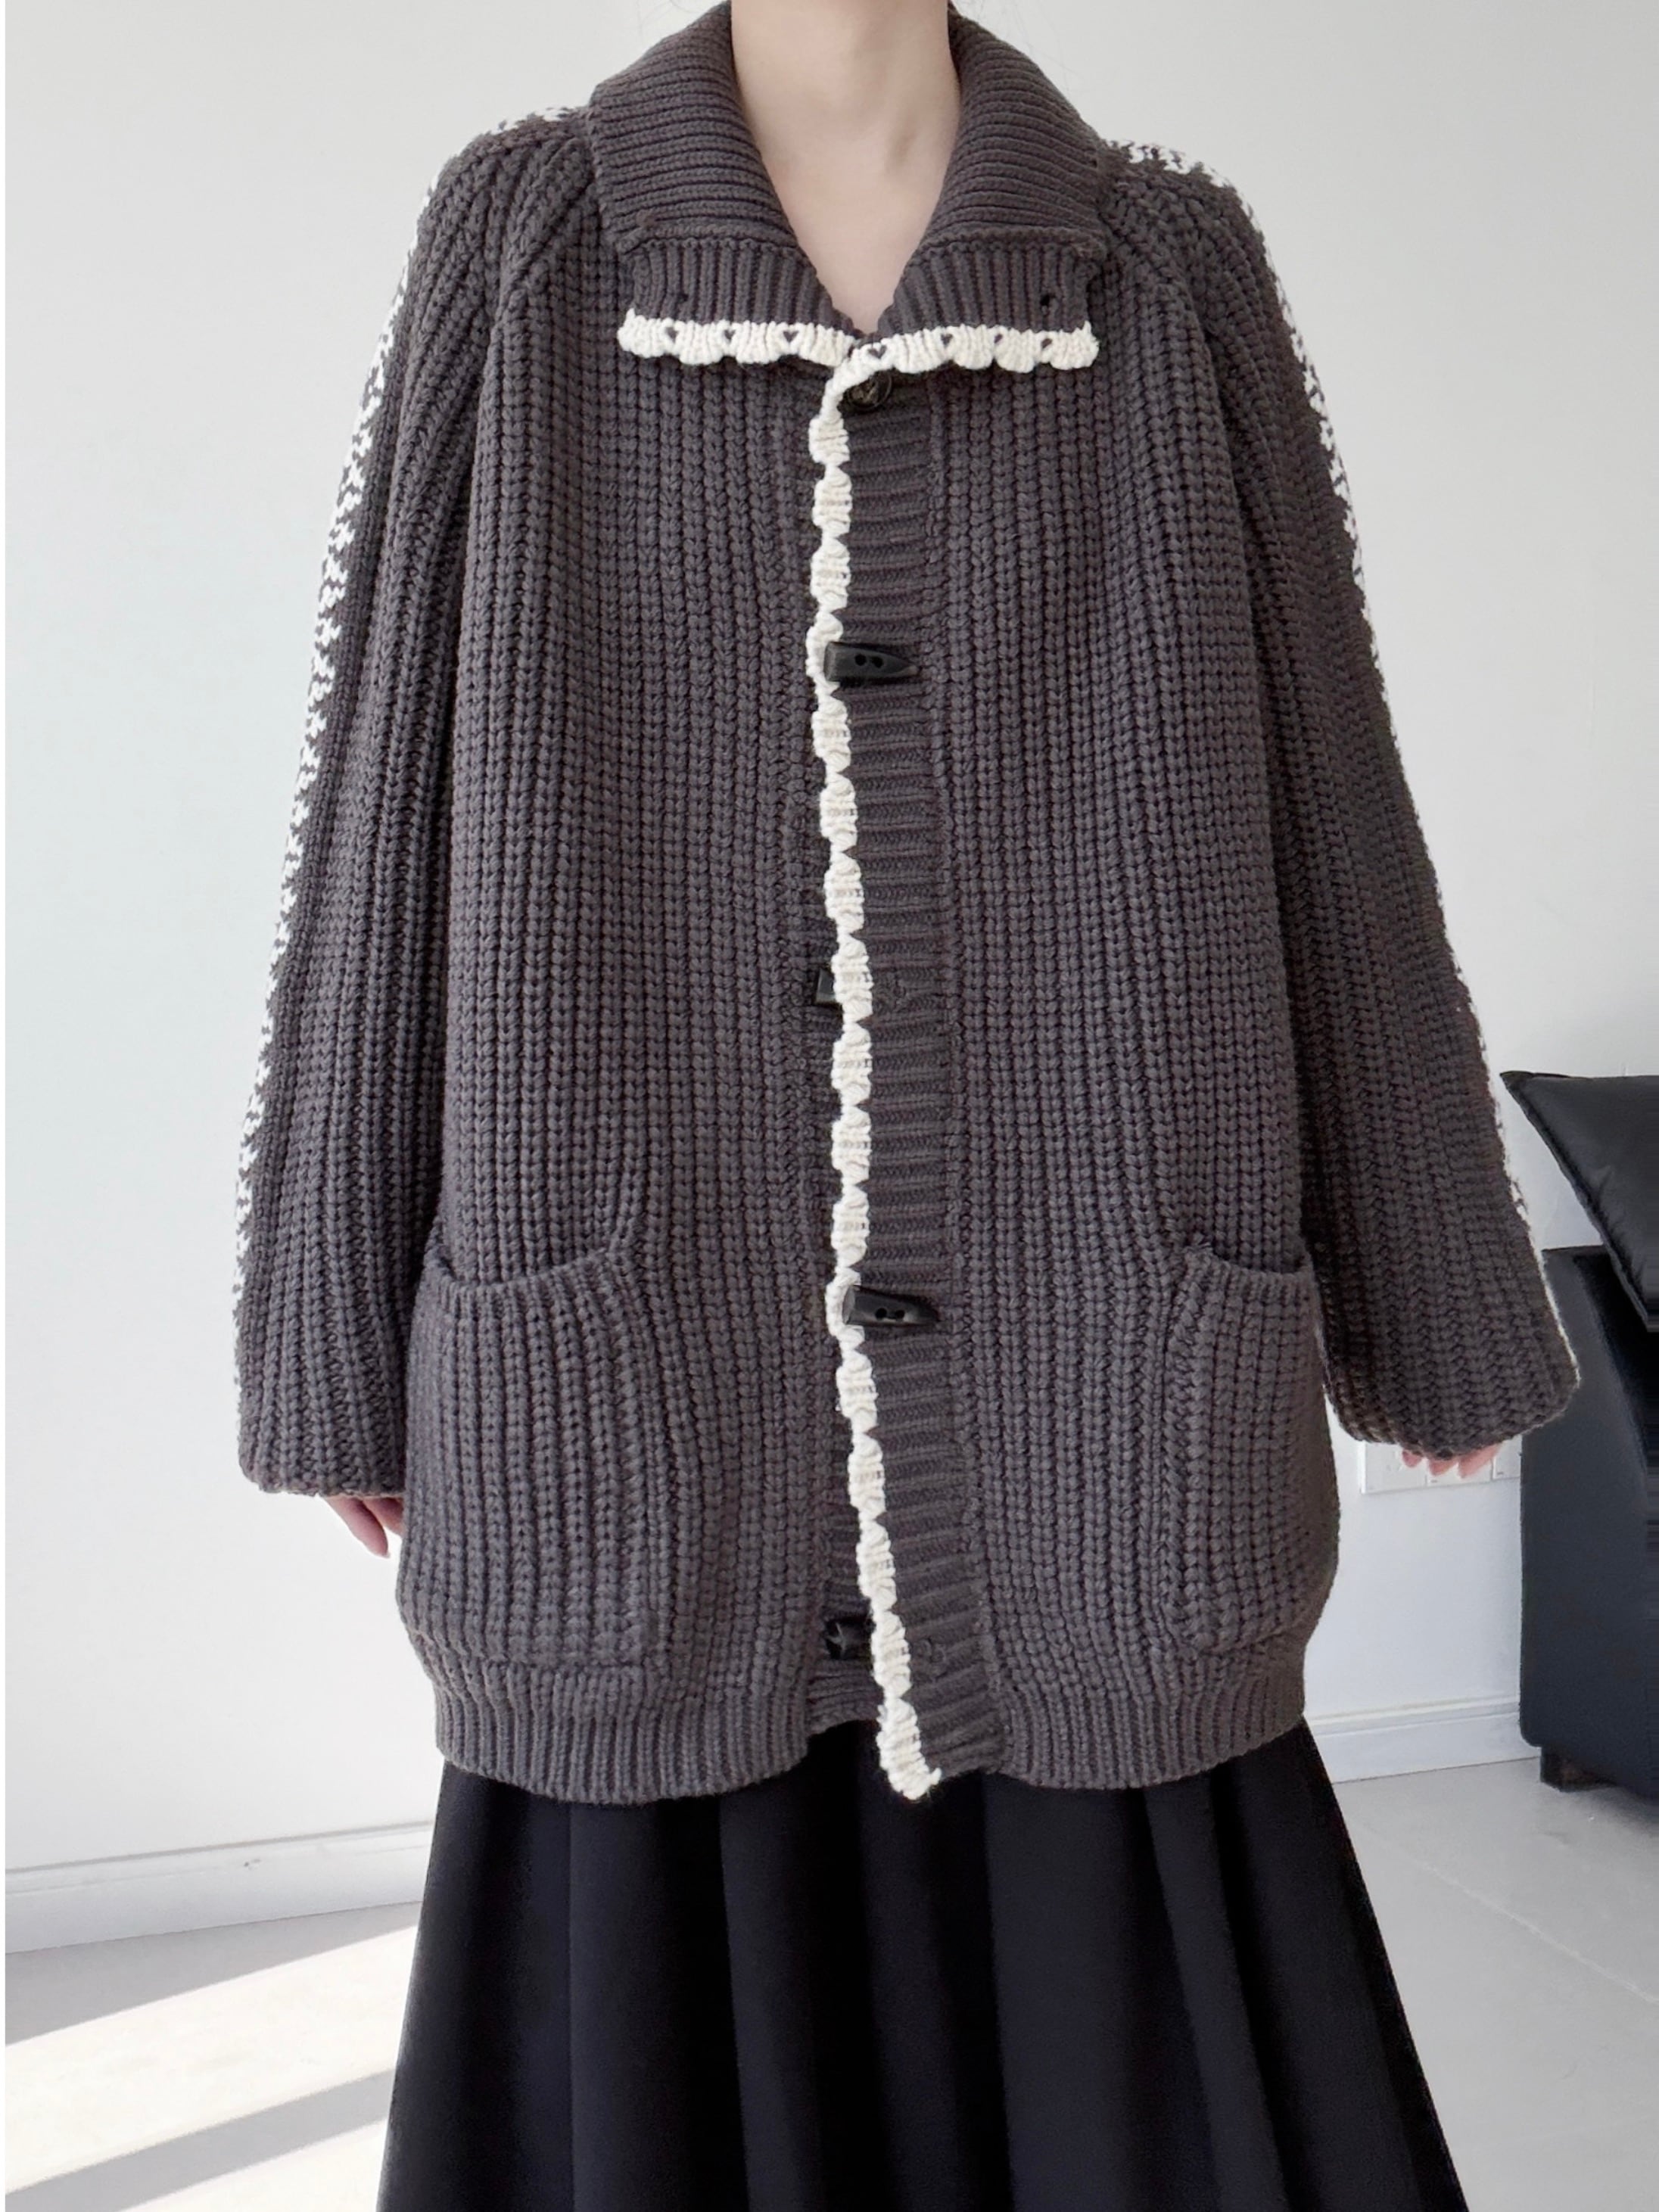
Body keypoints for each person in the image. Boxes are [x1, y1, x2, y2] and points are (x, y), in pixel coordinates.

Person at [232, 2, 1580, 2204]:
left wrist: (1430, 1276)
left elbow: (1330, 791)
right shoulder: (534, 239)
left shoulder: (1162, 270)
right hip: (643, 1381)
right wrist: (333, 1332)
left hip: (1102, 1383)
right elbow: (390, 796)